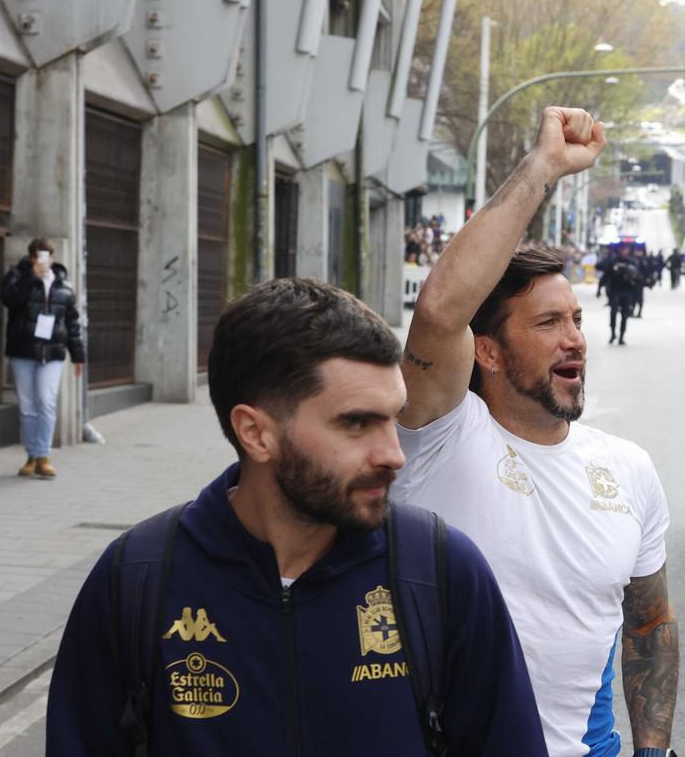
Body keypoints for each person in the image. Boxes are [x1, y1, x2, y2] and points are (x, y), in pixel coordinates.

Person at [46, 278, 548, 756]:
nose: (394, 454)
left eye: (392, 418)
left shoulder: (439, 572)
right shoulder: (138, 579)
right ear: (256, 433)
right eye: (356, 423)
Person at [394, 107, 678, 757]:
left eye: (577, 319)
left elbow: (650, 624)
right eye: (548, 323)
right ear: (486, 352)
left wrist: (654, 750)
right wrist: (543, 168)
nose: (575, 337)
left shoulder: (628, 468)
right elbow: (439, 308)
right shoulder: (438, 437)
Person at [0, 237, 84, 479]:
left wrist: (78, 355)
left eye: (46, 256)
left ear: (53, 258)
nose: (42, 261)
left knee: (46, 402)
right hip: (23, 352)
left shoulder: (63, 285)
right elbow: (9, 299)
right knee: (27, 406)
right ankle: (32, 456)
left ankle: (43, 456)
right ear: (31, 258)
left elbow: (72, 322)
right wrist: (30, 279)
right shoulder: (17, 277)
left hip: (53, 353)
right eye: (37, 256)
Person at [606, 245, 641, 344]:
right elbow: (607, 275)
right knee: (613, 313)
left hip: (627, 291)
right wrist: (600, 288)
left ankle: (621, 336)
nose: (623, 251)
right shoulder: (613, 261)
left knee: (624, 315)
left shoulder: (632, 262)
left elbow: (638, 277)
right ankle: (613, 333)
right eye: (622, 249)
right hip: (615, 291)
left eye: (625, 249)